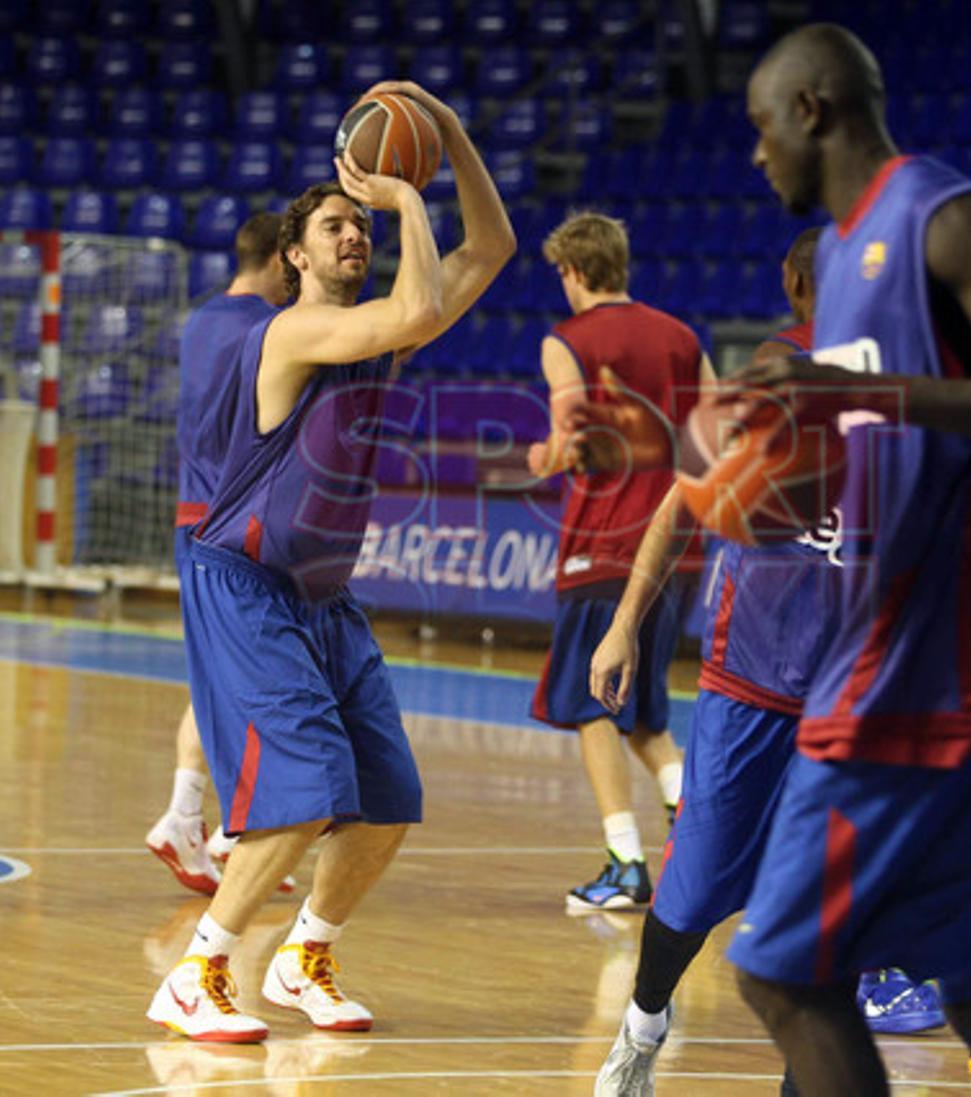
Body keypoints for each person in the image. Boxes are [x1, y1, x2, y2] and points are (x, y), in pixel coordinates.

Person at [571, 24, 971, 1096]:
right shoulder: (847, 269)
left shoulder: (943, 220)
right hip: (910, 655)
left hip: (955, 664)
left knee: (780, 967)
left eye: (760, 126)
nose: (754, 151)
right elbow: (874, 447)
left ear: (812, 108)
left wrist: (859, 398)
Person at [147, 81, 515, 1042]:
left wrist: (455, 137)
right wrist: (407, 202)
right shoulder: (294, 330)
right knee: (305, 787)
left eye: (362, 224)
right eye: (336, 226)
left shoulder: (377, 329)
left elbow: (495, 251)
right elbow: (417, 305)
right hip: (245, 584)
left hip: (323, 595)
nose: (354, 235)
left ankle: (306, 955)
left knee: (387, 796)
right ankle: (198, 971)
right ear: (293, 257)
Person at [590, 228, 840, 1096]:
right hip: (750, 682)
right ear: (803, 284)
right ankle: (642, 1023)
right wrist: (624, 624)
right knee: (691, 893)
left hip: (849, 697)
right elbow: (676, 509)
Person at [527, 211, 715, 912]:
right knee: (644, 713)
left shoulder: (567, 341)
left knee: (590, 705)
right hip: (681, 545)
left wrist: (541, 458)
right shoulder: (684, 337)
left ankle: (625, 862)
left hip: (605, 541)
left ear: (574, 271)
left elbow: (570, 440)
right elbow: (720, 427)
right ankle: (699, 829)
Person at [145, 211, 291, 896]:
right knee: (252, 681)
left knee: (221, 677)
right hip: (230, 523)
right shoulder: (263, 331)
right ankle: (212, 824)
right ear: (282, 261)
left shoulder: (203, 319)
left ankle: (212, 823)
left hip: (194, 511)